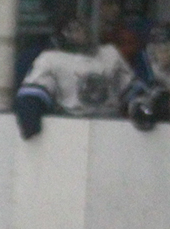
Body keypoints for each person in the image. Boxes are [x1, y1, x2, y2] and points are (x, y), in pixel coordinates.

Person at [14, 11, 153, 136]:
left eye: (83, 29)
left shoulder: (110, 54)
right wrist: (30, 113)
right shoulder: (50, 59)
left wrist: (141, 109)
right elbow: (33, 94)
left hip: (111, 125)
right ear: (63, 34)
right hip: (68, 126)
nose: (81, 34)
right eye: (74, 30)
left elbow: (132, 91)